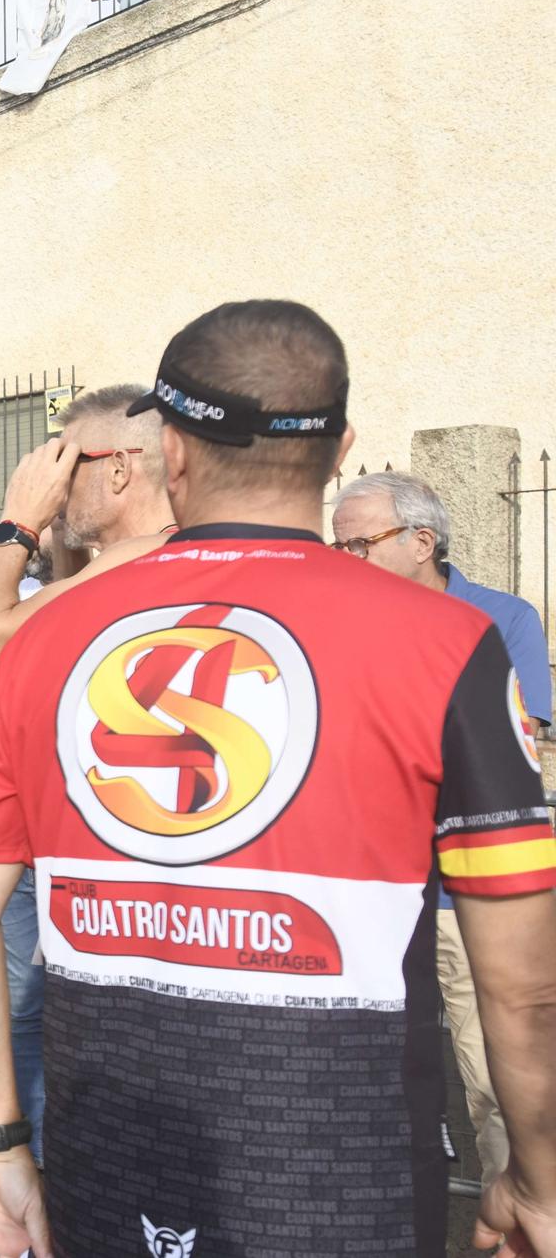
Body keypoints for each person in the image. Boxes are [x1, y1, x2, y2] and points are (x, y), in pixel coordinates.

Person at [0, 300, 556, 1258]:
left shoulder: (49, 637)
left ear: (171, 452)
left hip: (105, 1166)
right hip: (346, 1177)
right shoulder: (450, 646)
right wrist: (538, 1175)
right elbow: (525, 982)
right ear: (341, 448)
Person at [0, 382, 174, 1187]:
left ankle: (29, 1168)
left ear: (121, 471)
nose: (49, 475)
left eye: (65, 461)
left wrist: (18, 522)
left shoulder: (149, 559)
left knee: (49, 1021)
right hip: (112, 866)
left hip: (98, 869)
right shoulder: (147, 559)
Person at [332, 470, 553, 1195]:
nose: (346, 561)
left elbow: (512, 744)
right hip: (364, 892)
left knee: (497, 1082)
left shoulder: (501, 617)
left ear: (421, 541)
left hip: (463, 898)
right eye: (339, 547)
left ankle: (523, 1206)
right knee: (376, 1075)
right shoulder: (343, 621)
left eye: (359, 544)